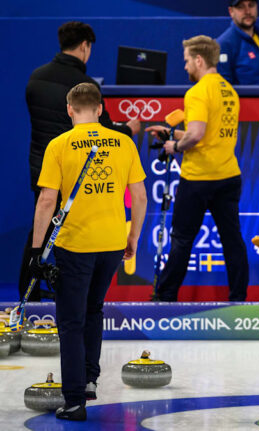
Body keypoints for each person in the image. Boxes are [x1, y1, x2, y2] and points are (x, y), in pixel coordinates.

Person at [32, 82, 147, 420]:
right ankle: (89, 381)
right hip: (112, 243)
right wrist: (133, 238)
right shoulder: (123, 142)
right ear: (99, 109)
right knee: (94, 309)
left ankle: (73, 401)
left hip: (76, 245)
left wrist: (37, 251)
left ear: (69, 109)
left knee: (70, 321)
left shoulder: (59, 145)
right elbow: (139, 197)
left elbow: (47, 201)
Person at [21, 21, 140, 302]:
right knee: (73, 242)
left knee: (40, 235)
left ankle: (28, 299)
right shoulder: (81, 86)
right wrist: (130, 129)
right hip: (77, 172)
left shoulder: (36, 77)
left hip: (43, 168)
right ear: (85, 46)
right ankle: (73, 301)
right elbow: (104, 130)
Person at [146, 35, 249, 301]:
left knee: (181, 240)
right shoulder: (229, 90)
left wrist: (173, 147)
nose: (185, 67)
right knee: (232, 242)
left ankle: (165, 298)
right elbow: (207, 134)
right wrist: (172, 134)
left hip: (199, 178)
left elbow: (197, 135)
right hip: (228, 176)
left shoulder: (197, 92)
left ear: (199, 60)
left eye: (187, 61)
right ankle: (238, 298)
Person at [216, 0, 259, 85]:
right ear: (231, 12)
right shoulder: (224, 45)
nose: (248, 11)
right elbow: (222, 89)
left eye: (251, 5)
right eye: (241, 7)